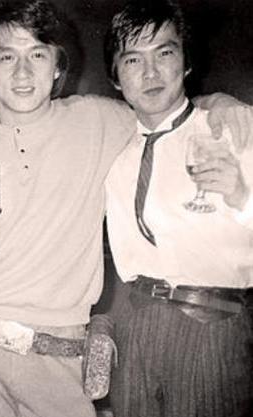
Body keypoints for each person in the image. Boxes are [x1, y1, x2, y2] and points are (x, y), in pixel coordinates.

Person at [0, 1, 252, 417]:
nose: (23, 72)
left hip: (59, 351)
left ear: (57, 67)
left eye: (37, 55)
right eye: (7, 57)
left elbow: (162, 103)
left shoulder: (99, 120)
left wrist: (220, 103)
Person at [103, 1, 253, 416]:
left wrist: (242, 197)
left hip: (214, 326)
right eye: (133, 60)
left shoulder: (235, 130)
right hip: (137, 329)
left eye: (165, 53)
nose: (150, 73)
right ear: (116, 77)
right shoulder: (115, 151)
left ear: (186, 62)